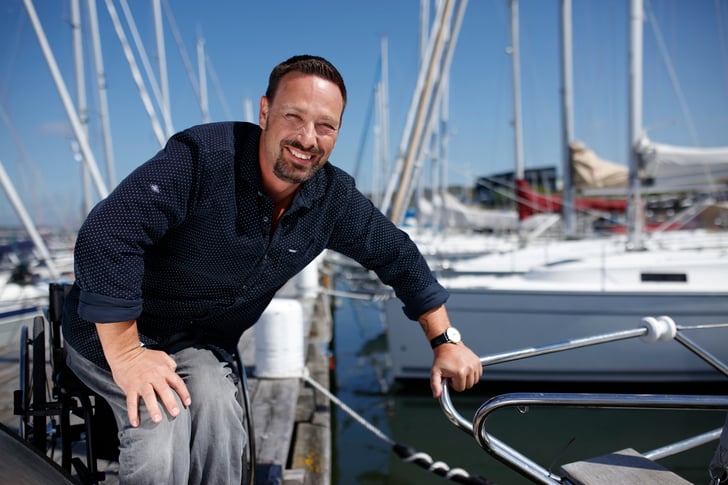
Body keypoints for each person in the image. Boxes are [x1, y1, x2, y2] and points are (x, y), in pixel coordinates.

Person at [62, 54, 482, 484]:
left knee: (220, 415)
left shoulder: (333, 200)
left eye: (325, 126)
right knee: (160, 425)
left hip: (196, 342)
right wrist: (130, 356)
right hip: (115, 335)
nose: (307, 138)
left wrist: (445, 340)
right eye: (293, 116)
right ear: (264, 112)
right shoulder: (202, 158)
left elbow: (398, 256)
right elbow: (108, 233)